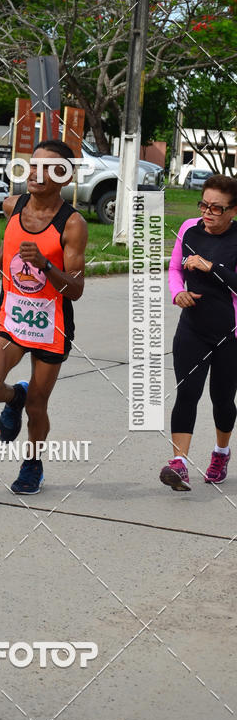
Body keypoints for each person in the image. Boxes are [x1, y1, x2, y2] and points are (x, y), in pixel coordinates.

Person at [0, 140, 88, 494]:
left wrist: (46, 265)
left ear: (65, 177)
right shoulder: (12, 205)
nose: (36, 174)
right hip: (11, 319)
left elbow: (76, 288)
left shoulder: (72, 224)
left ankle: (32, 465)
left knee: (38, 406)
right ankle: (13, 397)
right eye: (33, 165)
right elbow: (10, 244)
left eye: (48, 168)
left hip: (50, 326)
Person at [160, 174, 237, 492]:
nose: (207, 212)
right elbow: (175, 268)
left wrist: (212, 268)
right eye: (204, 204)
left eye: (216, 208)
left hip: (230, 334)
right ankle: (178, 465)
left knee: (222, 399)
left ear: (233, 210)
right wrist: (177, 293)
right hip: (192, 328)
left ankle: (221, 452)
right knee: (187, 394)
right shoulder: (189, 229)